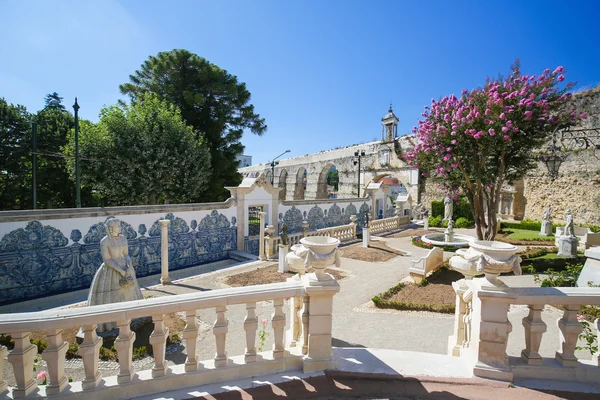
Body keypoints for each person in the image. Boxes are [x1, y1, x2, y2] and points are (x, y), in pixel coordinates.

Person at [88, 218, 143, 332]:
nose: (120, 228)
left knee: (130, 292)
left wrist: (128, 264)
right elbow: (107, 260)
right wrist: (120, 270)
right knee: (114, 295)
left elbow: (126, 254)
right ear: (110, 228)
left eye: (119, 226)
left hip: (125, 267)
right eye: (117, 226)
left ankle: (133, 317)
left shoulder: (123, 238)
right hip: (111, 270)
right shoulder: (105, 241)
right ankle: (112, 324)